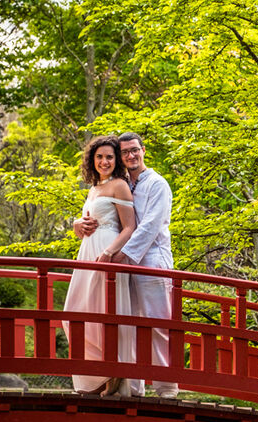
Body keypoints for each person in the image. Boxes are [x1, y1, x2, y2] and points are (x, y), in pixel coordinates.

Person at [76, 132, 177, 399]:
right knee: (126, 324)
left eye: (135, 150)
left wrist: (119, 255)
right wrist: (78, 224)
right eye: (125, 152)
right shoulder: (122, 183)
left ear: (143, 151)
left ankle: (166, 390)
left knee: (156, 324)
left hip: (151, 262)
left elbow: (149, 228)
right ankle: (132, 387)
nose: (130, 156)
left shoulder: (157, 184)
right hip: (123, 267)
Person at [65, 135, 137, 397]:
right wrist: (76, 224)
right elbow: (85, 225)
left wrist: (109, 252)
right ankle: (94, 375)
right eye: (99, 157)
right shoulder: (94, 188)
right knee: (75, 311)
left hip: (107, 251)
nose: (104, 161)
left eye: (109, 156)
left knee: (105, 310)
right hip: (87, 252)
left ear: (116, 160)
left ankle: (113, 375)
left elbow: (130, 227)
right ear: (92, 160)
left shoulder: (119, 185)